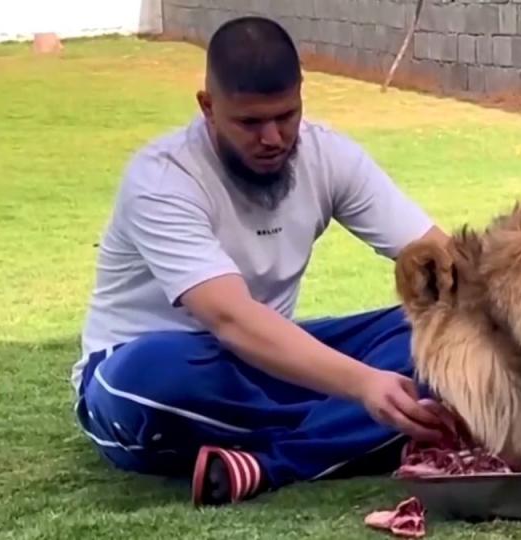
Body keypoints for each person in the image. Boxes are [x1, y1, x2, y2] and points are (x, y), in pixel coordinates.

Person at [72, 15, 455, 507]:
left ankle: (268, 462)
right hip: (165, 371)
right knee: (149, 378)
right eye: (250, 123)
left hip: (275, 365)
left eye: (286, 116)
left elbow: (440, 260)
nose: (273, 138)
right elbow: (231, 320)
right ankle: (357, 427)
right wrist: (363, 385)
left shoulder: (328, 156)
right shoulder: (161, 179)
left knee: (442, 331)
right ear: (208, 108)